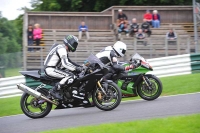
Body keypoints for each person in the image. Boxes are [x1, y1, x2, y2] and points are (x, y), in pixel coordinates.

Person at [44, 35, 83, 99]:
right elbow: (65, 64)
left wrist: (80, 66)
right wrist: (76, 69)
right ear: (71, 43)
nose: (75, 45)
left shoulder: (61, 47)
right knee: (71, 76)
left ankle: (63, 93)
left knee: (69, 73)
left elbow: (70, 62)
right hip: (51, 69)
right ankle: (54, 91)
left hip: (52, 68)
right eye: (75, 44)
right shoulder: (62, 49)